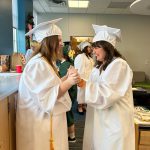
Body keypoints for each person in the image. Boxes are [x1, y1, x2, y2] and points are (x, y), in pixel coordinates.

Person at [16, 18, 80, 150]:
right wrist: (69, 82)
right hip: (39, 124)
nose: (62, 44)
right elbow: (47, 95)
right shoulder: (38, 64)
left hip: (45, 122)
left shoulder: (45, 62)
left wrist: (66, 78)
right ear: (50, 42)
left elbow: (50, 86)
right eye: (60, 40)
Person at [82, 25, 135, 150]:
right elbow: (93, 86)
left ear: (108, 47)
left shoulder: (119, 65)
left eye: (97, 47)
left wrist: (83, 84)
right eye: (93, 47)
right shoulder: (98, 67)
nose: (93, 51)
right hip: (101, 120)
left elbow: (107, 94)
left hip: (115, 122)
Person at [58, 45, 77, 142]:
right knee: (69, 114)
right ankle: (72, 135)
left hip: (67, 93)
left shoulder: (64, 65)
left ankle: (72, 136)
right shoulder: (68, 63)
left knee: (68, 115)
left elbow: (61, 81)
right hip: (71, 92)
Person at [74, 41, 94, 114]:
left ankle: (84, 105)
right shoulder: (80, 57)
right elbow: (79, 68)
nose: (90, 48)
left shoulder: (90, 57)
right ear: (85, 48)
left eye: (90, 47)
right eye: (88, 47)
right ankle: (79, 106)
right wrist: (80, 79)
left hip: (89, 78)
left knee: (87, 93)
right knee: (81, 93)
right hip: (83, 77)